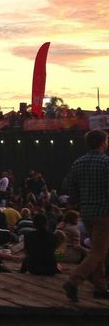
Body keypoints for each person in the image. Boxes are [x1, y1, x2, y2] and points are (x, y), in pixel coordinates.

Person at [63, 129, 109, 302]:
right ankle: (74, 281)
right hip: (104, 212)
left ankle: (100, 287)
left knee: (97, 250)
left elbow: (72, 188)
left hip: (86, 212)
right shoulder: (106, 162)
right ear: (102, 142)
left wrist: (75, 204)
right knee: (99, 251)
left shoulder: (78, 163)